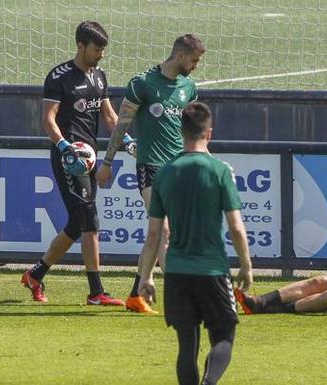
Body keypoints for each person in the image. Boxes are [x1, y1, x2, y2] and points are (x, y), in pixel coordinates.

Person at [137, 102, 253, 385]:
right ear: (209, 133)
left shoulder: (165, 172)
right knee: (224, 335)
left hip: (176, 271)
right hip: (211, 269)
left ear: (181, 132)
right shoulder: (219, 170)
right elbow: (236, 227)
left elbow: (154, 234)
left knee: (186, 345)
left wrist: (146, 276)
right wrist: (246, 266)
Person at [95, 34, 206, 314]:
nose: (195, 66)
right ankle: (181, 298)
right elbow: (121, 125)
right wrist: (107, 162)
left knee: (158, 235)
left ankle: (136, 294)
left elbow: (194, 132)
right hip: (151, 167)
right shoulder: (143, 83)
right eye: (194, 60)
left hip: (179, 168)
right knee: (165, 230)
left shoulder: (188, 88)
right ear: (180, 56)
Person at [21, 21, 122, 305]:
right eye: (97, 49)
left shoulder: (100, 76)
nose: (101, 54)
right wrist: (66, 147)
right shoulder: (59, 77)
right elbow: (48, 121)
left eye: (103, 49)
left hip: (88, 160)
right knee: (89, 219)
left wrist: (126, 141)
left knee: (78, 224)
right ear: (80, 46)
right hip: (69, 160)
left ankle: (36, 274)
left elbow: (110, 117)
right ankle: (96, 292)